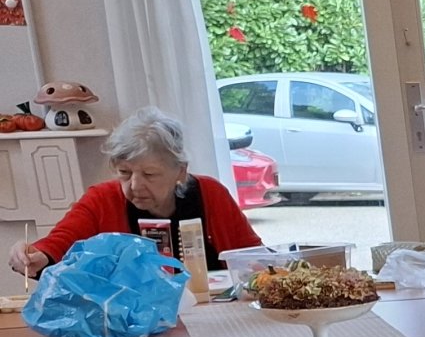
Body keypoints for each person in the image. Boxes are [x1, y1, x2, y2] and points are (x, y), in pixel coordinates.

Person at [9, 107, 262, 279]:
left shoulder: (211, 193)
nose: (135, 185)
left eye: (149, 174)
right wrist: (34, 255)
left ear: (180, 171)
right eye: (125, 172)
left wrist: (258, 269)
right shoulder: (102, 199)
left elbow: (253, 255)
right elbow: (59, 243)